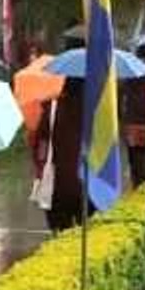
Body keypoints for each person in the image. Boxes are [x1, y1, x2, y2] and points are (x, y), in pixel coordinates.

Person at [33, 78, 94, 232]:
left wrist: (40, 167)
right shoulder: (97, 109)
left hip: (58, 184)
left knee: (59, 233)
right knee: (88, 235)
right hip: (90, 184)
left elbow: (42, 144)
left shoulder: (52, 107)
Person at [121, 38, 145, 188]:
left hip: (130, 123)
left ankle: (136, 185)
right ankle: (142, 187)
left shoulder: (129, 73)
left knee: (134, 159)